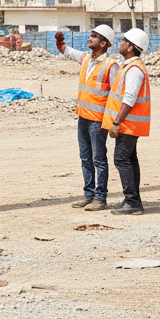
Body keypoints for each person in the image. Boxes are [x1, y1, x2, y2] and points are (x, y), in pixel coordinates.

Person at [55, 25, 118, 211]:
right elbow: (64, 50)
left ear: (104, 43)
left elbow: (116, 96)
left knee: (99, 159)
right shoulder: (85, 59)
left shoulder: (110, 66)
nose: (90, 38)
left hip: (98, 121)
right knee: (85, 158)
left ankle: (101, 197)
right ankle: (89, 194)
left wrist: (113, 122)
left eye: (94, 36)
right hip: (83, 118)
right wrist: (60, 40)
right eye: (91, 34)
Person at [103, 27, 151, 215]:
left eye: (124, 41)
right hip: (130, 123)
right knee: (130, 159)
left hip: (128, 124)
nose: (120, 44)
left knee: (121, 159)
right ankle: (133, 200)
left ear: (131, 47)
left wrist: (116, 123)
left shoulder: (134, 69)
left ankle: (132, 202)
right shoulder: (130, 66)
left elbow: (129, 98)